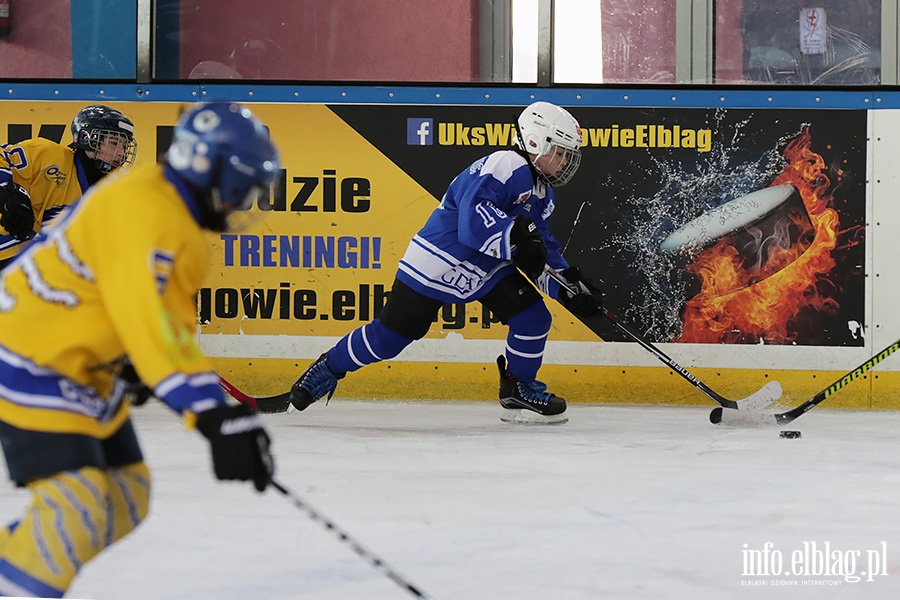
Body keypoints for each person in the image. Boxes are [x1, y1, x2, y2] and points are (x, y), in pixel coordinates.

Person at [0, 101, 279, 598]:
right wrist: (212, 416)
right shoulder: (146, 210)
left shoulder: (180, 225)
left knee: (127, 497)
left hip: (80, 363)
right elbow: (148, 320)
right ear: (206, 168)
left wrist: (136, 363)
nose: (241, 204)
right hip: (30, 355)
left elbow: (166, 327)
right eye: (240, 189)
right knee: (77, 508)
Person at [288, 101, 604, 425]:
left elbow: (541, 251)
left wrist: (568, 286)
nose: (565, 161)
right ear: (535, 141)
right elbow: (472, 223)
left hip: (484, 266)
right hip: (438, 258)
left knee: (533, 318)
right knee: (390, 337)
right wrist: (519, 238)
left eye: (568, 155)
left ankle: (517, 388)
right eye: (560, 152)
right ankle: (327, 368)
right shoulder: (507, 164)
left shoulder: (542, 195)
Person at [0, 104, 138, 270]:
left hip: (33, 268)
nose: (121, 153)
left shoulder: (109, 196)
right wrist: (6, 193)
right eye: (114, 143)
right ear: (88, 138)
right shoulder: (47, 155)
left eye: (124, 146)